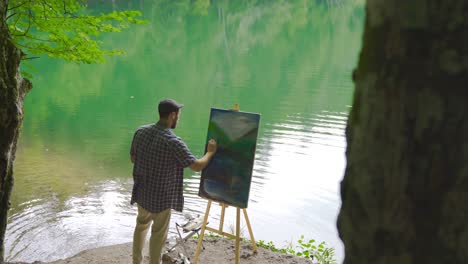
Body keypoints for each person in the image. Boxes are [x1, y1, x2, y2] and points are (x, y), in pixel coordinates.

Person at [130, 98, 217, 264]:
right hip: (161, 198)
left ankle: (136, 261)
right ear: (172, 115)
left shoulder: (140, 132)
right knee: (157, 234)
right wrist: (210, 153)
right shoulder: (173, 142)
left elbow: (133, 158)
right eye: (178, 115)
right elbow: (197, 166)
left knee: (141, 226)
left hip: (142, 193)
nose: (178, 118)